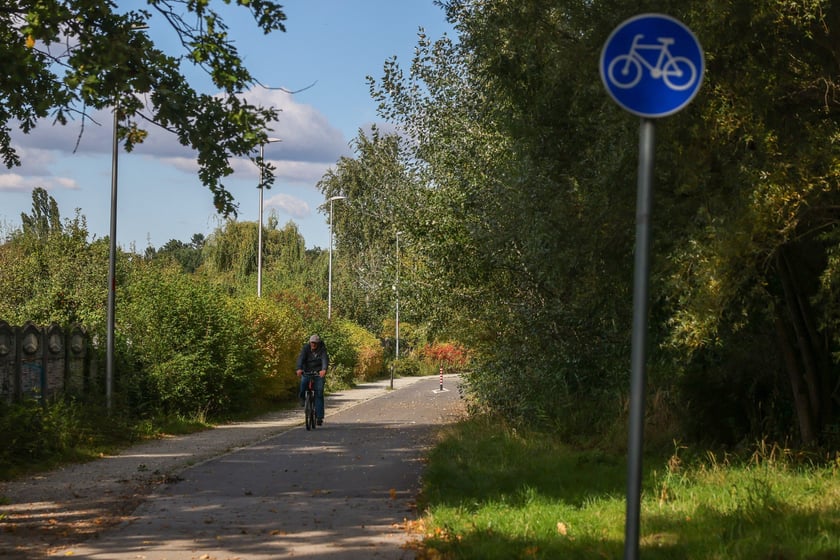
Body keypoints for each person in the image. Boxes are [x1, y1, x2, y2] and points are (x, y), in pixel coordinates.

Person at [296, 334, 329, 425]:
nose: (313, 344)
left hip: (318, 373)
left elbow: (324, 360)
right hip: (307, 371)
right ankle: (302, 398)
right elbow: (301, 359)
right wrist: (299, 368)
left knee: (319, 393)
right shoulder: (305, 348)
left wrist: (324, 369)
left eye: (315, 343)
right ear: (309, 342)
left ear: (318, 343)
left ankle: (319, 417)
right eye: (312, 343)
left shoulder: (322, 350)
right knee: (303, 384)